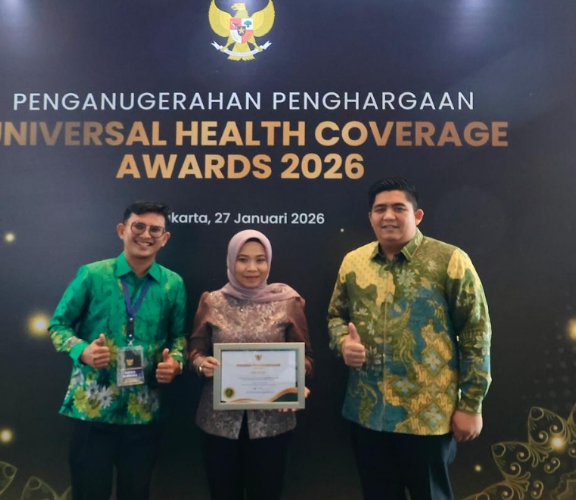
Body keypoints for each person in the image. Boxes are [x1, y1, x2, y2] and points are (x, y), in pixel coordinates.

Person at [328, 177, 492, 500]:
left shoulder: (449, 260)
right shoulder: (353, 262)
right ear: (370, 217)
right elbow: (336, 316)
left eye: (398, 208)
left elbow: (476, 333)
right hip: (367, 413)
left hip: (427, 417)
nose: (388, 216)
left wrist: (472, 404)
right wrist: (342, 343)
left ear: (417, 215)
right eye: (380, 209)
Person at [48, 201, 186, 500]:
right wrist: (82, 350)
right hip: (93, 407)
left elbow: (178, 337)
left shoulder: (172, 284)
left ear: (165, 238)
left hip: (144, 410)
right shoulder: (93, 275)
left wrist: (176, 362)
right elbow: (58, 325)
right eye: (139, 226)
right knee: (89, 493)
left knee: (136, 493)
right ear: (122, 230)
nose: (146, 235)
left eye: (155, 230)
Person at [188, 229, 314, 500]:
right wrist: (201, 364)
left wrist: (297, 380)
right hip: (218, 423)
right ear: (230, 260)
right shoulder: (212, 301)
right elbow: (195, 351)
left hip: (273, 423)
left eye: (260, 260)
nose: (252, 268)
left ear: (269, 262)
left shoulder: (287, 302)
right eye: (243, 259)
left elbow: (306, 358)